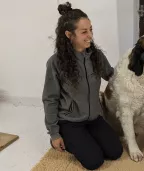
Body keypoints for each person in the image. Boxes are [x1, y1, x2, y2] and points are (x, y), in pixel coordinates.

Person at [42, 2, 123, 170]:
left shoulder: (96, 55)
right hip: (70, 120)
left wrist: (136, 70)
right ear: (69, 35)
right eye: (84, 32)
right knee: (94, 161)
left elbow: (112, 75)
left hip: (94, 117)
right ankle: (70, 138)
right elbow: (50, 99)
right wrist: (54, 134)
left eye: (91, 29)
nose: (90, 36)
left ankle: (85, 138)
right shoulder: (55, 63)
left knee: (115, 152)